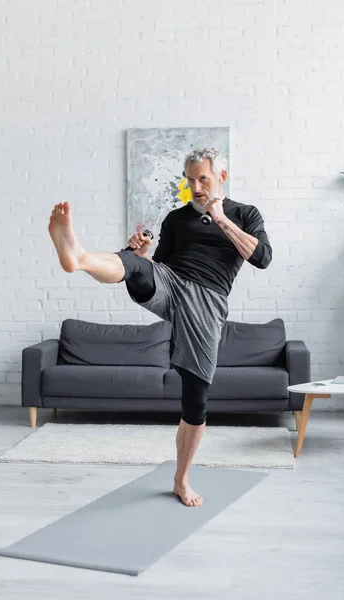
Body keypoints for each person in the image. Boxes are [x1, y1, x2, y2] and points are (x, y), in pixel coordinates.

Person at [48, 146, 272, 508]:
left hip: (207, 300)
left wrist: (221, 219)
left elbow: (262, 258)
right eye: (190, 179)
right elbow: (160, 265)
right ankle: (79, 257)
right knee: (136, 267)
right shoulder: (176, 218)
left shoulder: (244, 214)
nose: (196, 187)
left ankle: (181, 479)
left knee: (196, 401)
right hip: (171, 284)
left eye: (203, 178)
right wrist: (139, 253)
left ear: (221, 178)